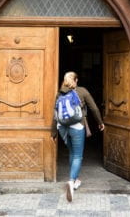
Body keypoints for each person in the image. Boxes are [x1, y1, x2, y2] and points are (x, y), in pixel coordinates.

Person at [51, 71, 105, 202]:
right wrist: (100, 122)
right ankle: (71, 181)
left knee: (72, 152)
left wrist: (53, 132)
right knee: (77, 155)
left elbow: (55, 114)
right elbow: (94, 108)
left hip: (63, 128)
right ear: (76, 80)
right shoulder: (82, 91)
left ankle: (75, 179)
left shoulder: (59, 93)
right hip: (77, 127)